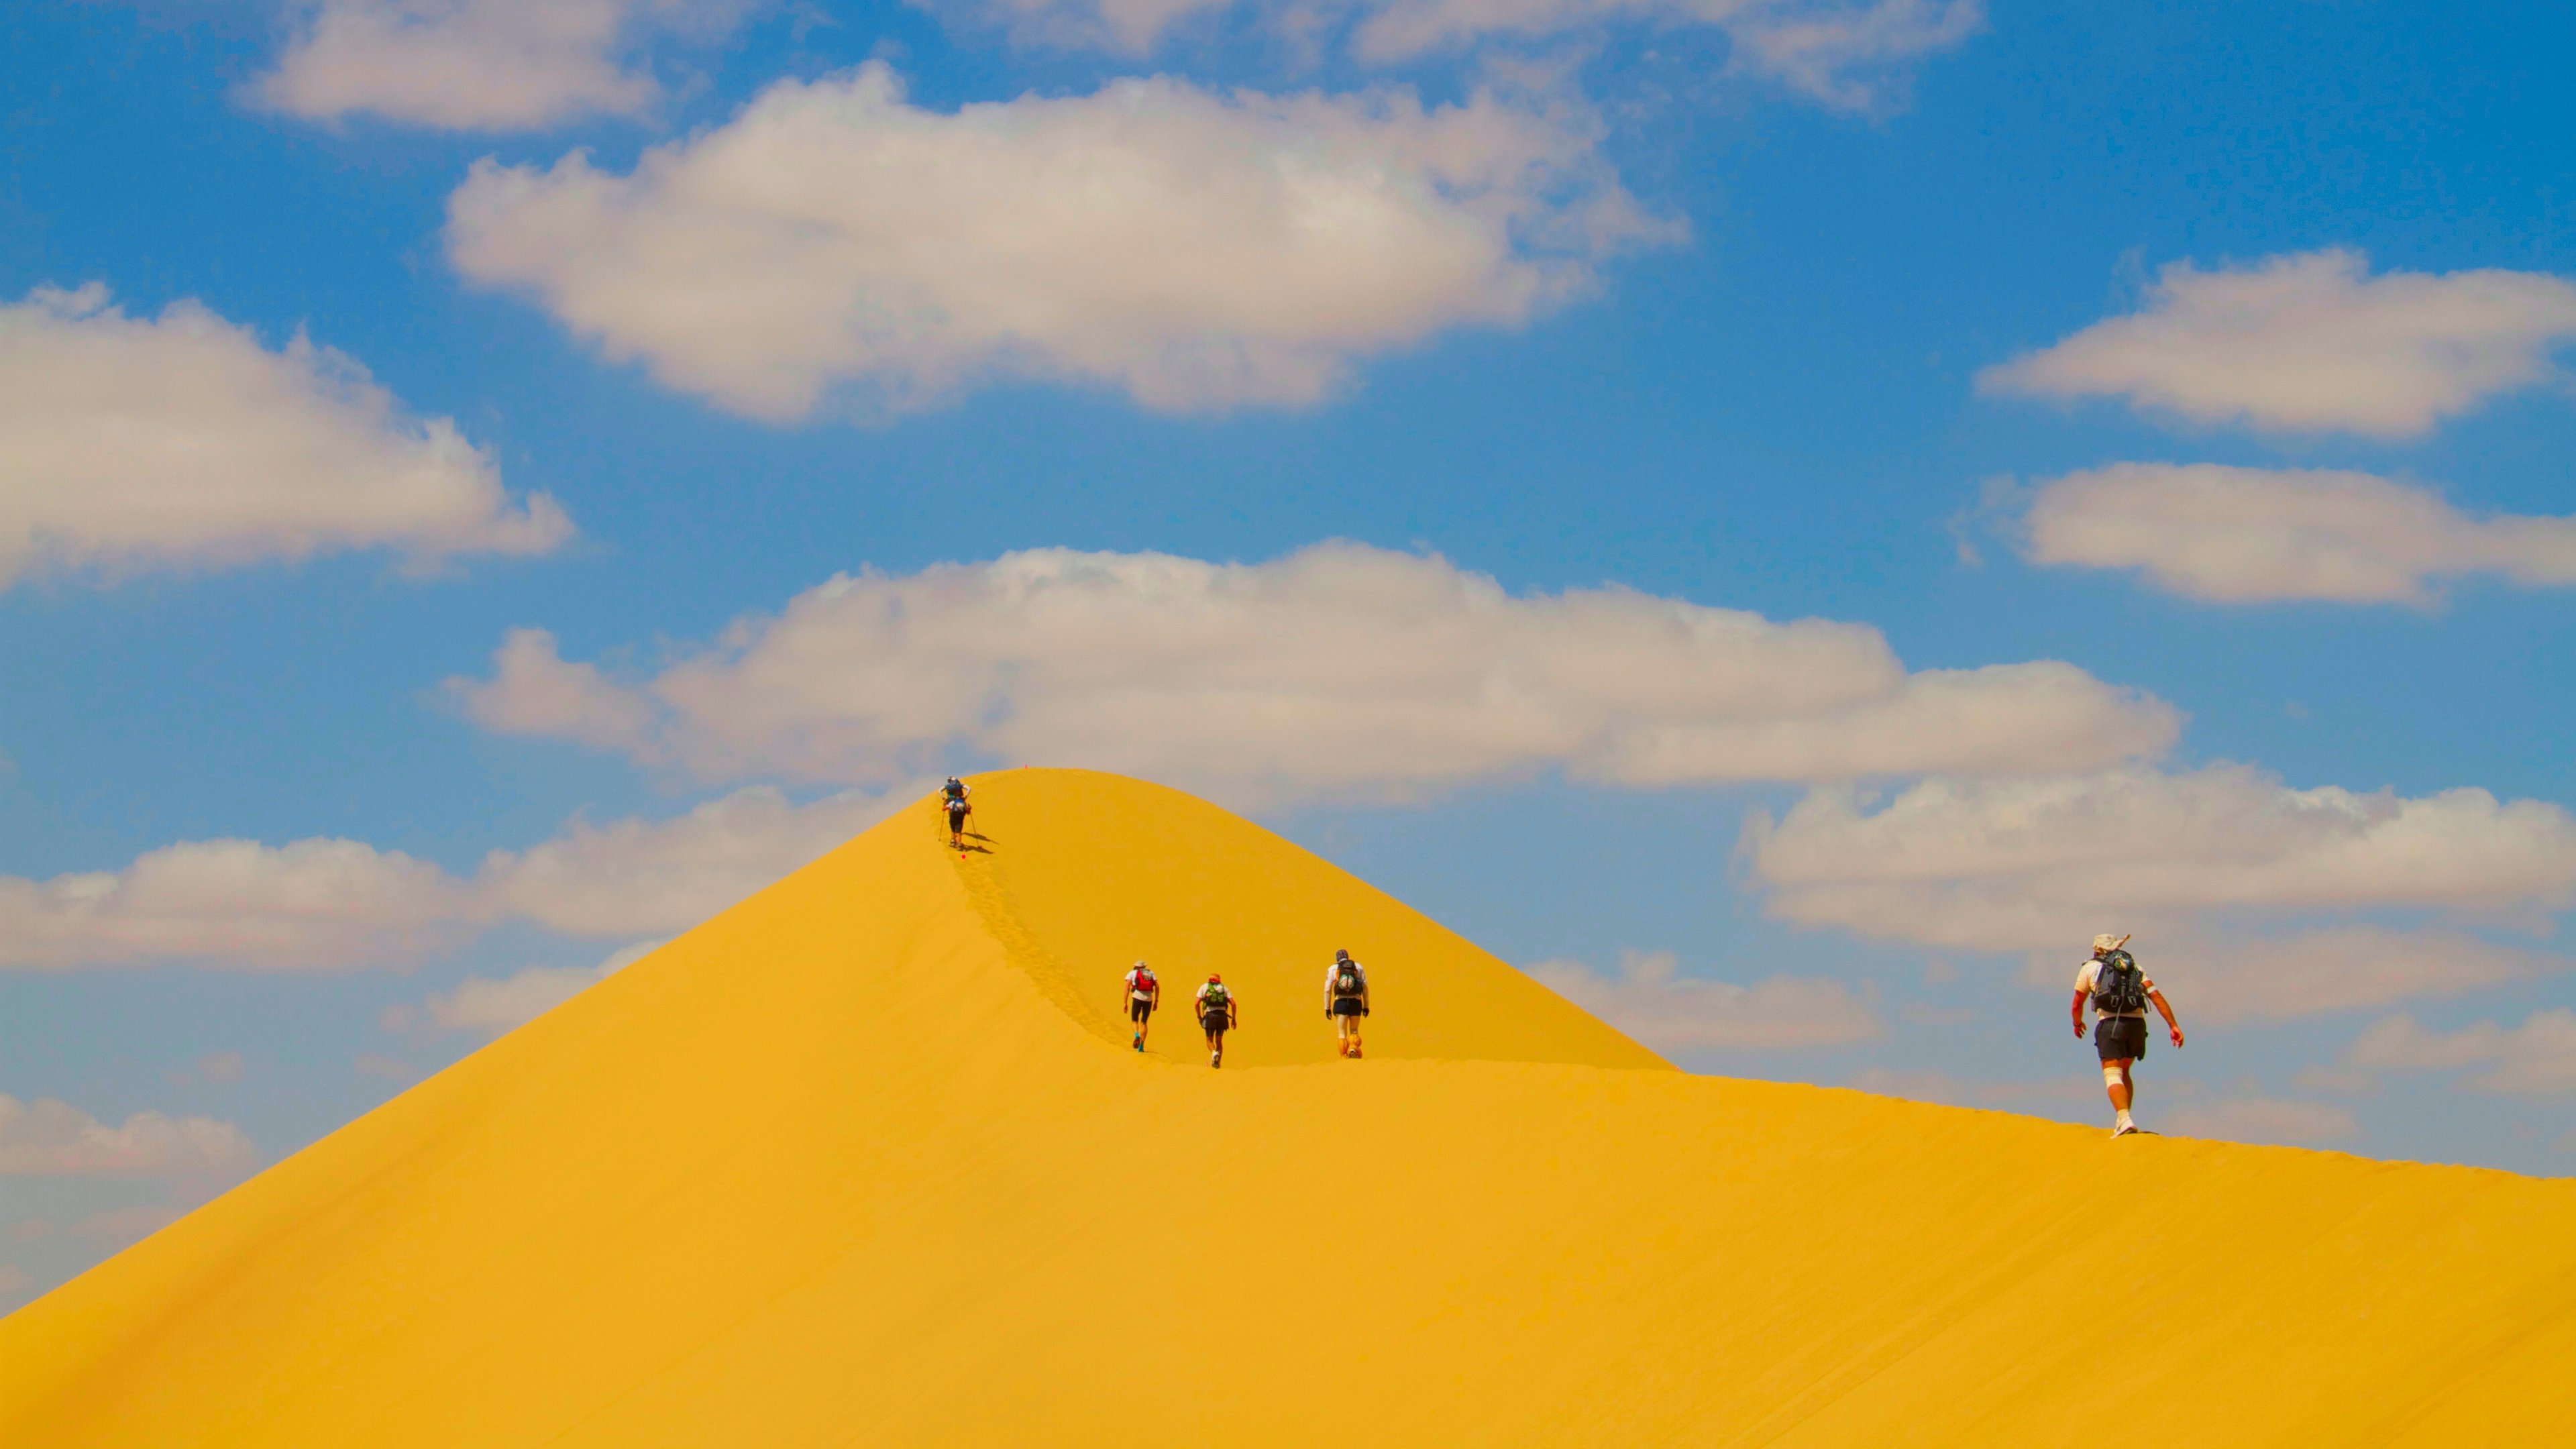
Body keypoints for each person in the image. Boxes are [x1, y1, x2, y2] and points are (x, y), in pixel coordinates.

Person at [2072, 933, 2184, 1137]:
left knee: (2112, 1073)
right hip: (2137, 1025)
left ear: (2096, 950)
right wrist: (2173, 1025)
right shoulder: (2134, 968)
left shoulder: (2089, 968)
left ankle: (2124, 1119)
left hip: (2110, 1024)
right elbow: (2155, 996)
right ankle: (2123, 1118)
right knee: (2124, 1071)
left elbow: (2077, 1003)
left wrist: (2077, 1022)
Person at [1323, 947, 1370, 1058]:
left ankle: (1344, 1056)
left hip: (1340, 1002)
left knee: (1342, 1033)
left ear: (1337, 958)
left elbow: (1327, 990)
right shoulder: (1358, 967)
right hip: (1356, 1002)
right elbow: (1365, 987)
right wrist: (1366, 1006)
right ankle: (1353, 1048)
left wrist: (1327, 1008)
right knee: (1354, 1031)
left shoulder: (1332, 969)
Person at [1195, 973, 1238, 1069]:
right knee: (1219, 1041)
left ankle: (1214, 1053)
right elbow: (1234, 1004)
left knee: (1209, 1040)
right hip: (1222, 1017)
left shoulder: (1204, 987)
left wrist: (1199, 1017)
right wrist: (1234, 1019)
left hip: (1210, 1016)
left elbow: (1197, 1003)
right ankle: (1217, 1064)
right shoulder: (1224, 989)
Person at [1122, 960, 1160, 1052]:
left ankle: (1136, 1034)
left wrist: (1125, 1002)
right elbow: (1157, 986)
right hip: (1149, 999)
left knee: (1135, 1020)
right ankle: (1142, 1046)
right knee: (1144, 1022)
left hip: (1137, 997)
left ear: (1136, 967)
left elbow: (1127, 987)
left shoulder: (1132, 973)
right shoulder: (1151, 973)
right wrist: (1156, 1001)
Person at [941, 776, 972, 849]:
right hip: (960, 818)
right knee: (958, 831)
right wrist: (969, 808)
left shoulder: (952, 802)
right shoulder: (963, 803)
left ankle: (952, 841)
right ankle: (959, 843)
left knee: (953, 829)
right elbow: (968, 813)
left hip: (953, 817)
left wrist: (944, 802)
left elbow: (943, 809)